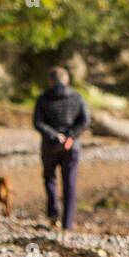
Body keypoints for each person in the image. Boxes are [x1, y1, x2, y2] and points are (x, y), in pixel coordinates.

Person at [33, 66, 90, 231]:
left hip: (50, 146)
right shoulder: (77, 97)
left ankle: (53, 214)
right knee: (69, 183)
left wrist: (54, 135)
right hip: (71, 147)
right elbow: (85, 121)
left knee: (50, 179)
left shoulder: (43, 98)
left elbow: (38, 123)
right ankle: (68, 223)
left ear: (50, 81)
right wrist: (71, 136)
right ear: (67, 80)